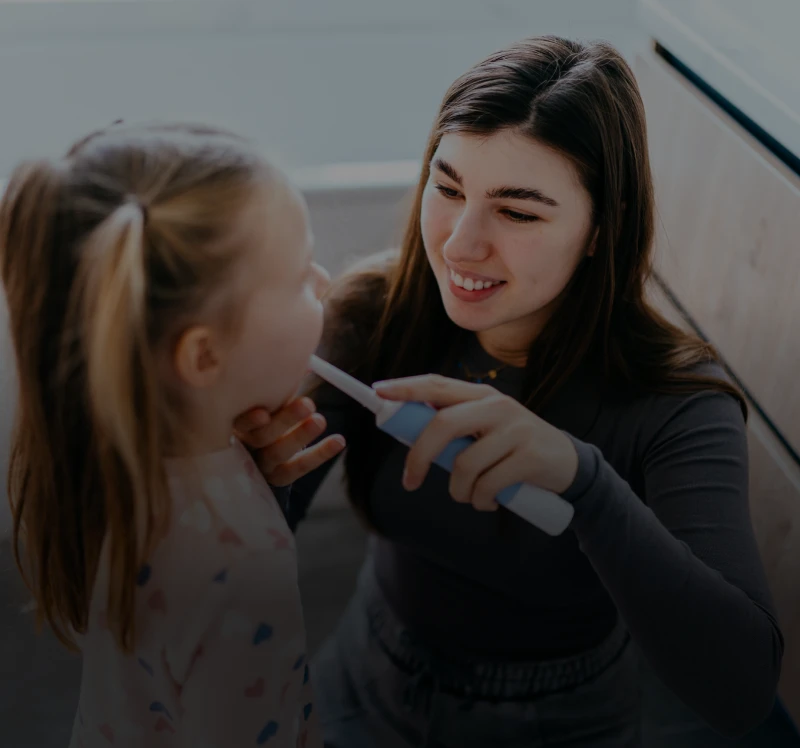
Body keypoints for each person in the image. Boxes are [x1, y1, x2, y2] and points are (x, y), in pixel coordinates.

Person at [234, 36, 784, 748]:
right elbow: (238, 559)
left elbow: (741, 694)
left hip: (560, 719)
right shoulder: (373, 314)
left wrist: (588, 484)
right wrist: (251, 483)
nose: (461, 244)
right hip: (365, 669)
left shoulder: (678, 402)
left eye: (518, 212)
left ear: (600, 229)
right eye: (449, 187)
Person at [0, 122, 346, 747]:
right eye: (299, 277)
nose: (322, 282)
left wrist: (262, 491)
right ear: (204, 358)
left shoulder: (118, 457)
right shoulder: (243, 569)